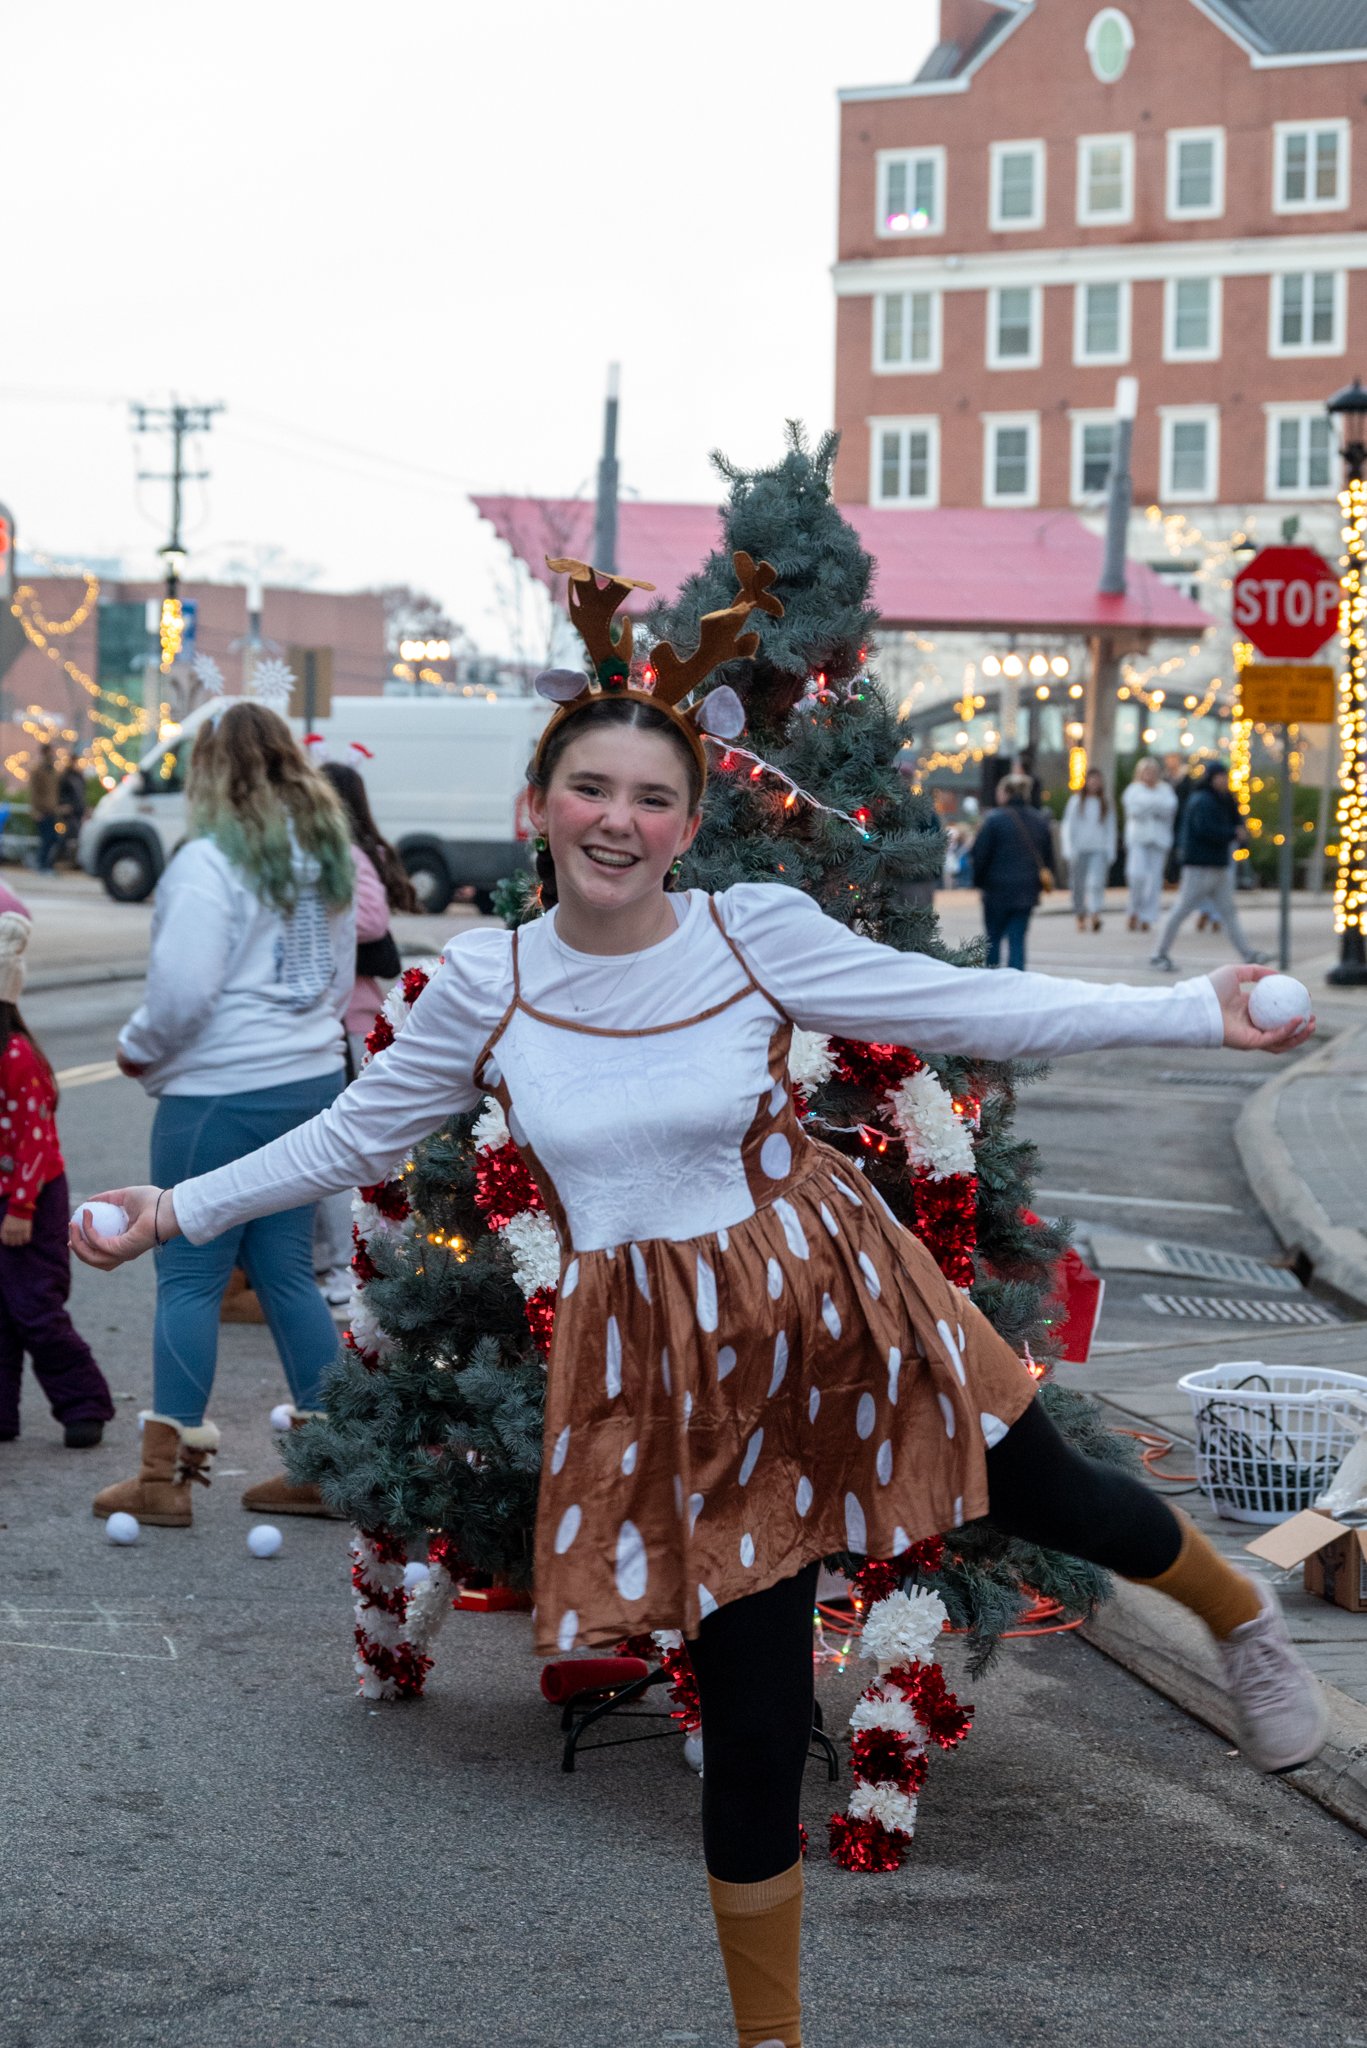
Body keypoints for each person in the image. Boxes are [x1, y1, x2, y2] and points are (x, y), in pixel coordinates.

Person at [70, 565, 1325, 2048]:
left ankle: (1237, 1614)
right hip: (672, 1369)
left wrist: (1194, 1007)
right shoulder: (489, 984)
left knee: (1045, 1487)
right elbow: (350, 1136)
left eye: (651, 798)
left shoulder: (747, 933)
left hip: (829, 1293)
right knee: (744, 1710)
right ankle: (769, 2041)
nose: (618, 820)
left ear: (685, 821)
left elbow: (962, 1005)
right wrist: (175, 1208)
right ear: (540, 803)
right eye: (588, 788)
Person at [86, 696, 355, 1527]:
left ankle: (166, 1478)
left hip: (217, 1093)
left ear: (208, 768)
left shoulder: (210, 860)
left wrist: (138, 1046)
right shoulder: (325, 852)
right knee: (285, 1272)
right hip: (307, 1084)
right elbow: (338, 982)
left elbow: (183, 992)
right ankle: (326, 1461)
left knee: (191, 1273)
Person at [0, 912, 114, 1447]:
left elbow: (35, 1141)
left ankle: (83, 1404)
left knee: (35, 1310)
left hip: (30, 1202)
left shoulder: (17, 1058)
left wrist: (21, 1209)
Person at [311, 755, 419, 1304]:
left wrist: (317, 915)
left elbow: (372, 919)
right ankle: (332, 1264)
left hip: (350, 1017)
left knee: (341, 1148)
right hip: (331, 1017)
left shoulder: (346, 856)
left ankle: (341, 1268)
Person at [1151, 765, 1267, 971]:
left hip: (1218, 865)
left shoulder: (1224, 799)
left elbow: (1236, 821)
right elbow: (1205, 829)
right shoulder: (1202, 800)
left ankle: (1247, 953)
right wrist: (1232, 833)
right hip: (1199, 865)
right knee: (1182, 909)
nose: (1224, 781)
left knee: (1228, 912)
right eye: (1220, 777)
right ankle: (1159, 953)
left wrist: (1237, 832)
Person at [970, 771, 1053, 969]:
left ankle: (992, 980)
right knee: (1017, 940)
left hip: (996, 889)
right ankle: (1017, 984)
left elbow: (979, 854)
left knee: (993, 941)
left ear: (1006, 792)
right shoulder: (1039, 820)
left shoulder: (994, 820)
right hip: (1026, 889)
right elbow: (1048, 856)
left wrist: (979, 882)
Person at [1121, 758, 1178, 933]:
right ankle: (1134, 909)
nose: (1150, 776)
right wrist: (1154, 807)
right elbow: (1134, 811)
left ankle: (1147, 916)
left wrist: (1148, 807)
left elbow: (1169, 808)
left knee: (1154, 880)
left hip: (1159, 840)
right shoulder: (1133, 790)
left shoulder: (1165, 790)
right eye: (1146, 772)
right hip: (1139, 839)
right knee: (1137, 875)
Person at [1061, 767, 1116, 932]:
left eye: (1097, 780)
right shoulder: (1076, 801)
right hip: (1080, 848)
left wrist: (1110, 849)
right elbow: (1068, 827)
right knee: (1078, 884)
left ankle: (1095, 912)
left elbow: (1110, 828)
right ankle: (1080, 915)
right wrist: (1069, 848)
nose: (1094, 783)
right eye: (1092, 779)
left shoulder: (1105, 803)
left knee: (1097, 883)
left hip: (1098, 848)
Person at [26, 743, 59, 873]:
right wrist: (35, 811)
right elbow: (33, 793)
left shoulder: (52, 770)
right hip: (42, 811)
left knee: (52, 838)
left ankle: (45, 864)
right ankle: (42, 865)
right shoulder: (38, 770)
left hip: (51, 810)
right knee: (47, 838)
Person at [56, 752, 87, 867]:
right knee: (66, 835)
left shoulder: (79, 777)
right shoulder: (65, 777)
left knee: (76, 836)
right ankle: (59, 859)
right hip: (68, 811)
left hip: (78, 811)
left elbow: (82, 794)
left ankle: (72, 861)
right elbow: (61, 793)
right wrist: (63, 805)